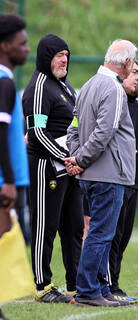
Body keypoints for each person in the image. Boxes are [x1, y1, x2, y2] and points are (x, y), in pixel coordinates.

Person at [65, 39, 137, 307]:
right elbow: (106, 131)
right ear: (127, 63)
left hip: (91, 174)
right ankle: (87, 292)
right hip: (108, 174)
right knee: (101, 234)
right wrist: (81, 159)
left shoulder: (87, 86)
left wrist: (76, 158)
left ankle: (101, 288)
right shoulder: (115, 89)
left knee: (100, 233)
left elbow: (73, 128)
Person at [22, 34, 83, 303]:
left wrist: (78, 156)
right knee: (44, 227)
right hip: (46, 167)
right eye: (59, 56)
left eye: (67, 56)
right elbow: (36, 132)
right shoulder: (39, 87)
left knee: (73, 227)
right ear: (47, 57)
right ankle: (42, 287)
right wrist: (65, 156)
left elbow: (74, 124)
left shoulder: (65, 86)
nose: (64, 61)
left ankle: (75, 285)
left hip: (69, 169)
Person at [109, 62, 138, 303]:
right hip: (115, 179)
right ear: (130, 76)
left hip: (134, 183)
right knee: (111, 235)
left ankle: (113, 282)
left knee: (124, 235)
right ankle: (107, 284)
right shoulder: (116, 103)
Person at [0, 13, 30, 320]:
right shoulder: (4, 83)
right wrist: (8, 180)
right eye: (22, 44)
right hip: (4, 182)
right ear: (6, 46)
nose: (27, 49)